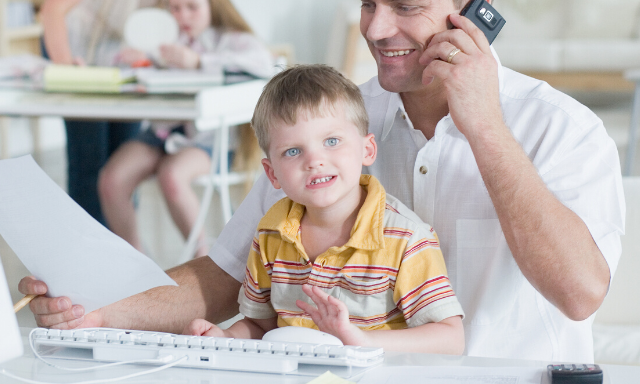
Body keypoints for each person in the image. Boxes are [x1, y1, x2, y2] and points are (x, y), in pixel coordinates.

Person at [20, 0, 625, 363]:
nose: (376, 29)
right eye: (367, 3)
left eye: (405, 6)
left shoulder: (562, 130)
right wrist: (98, 309)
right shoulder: (334, 127)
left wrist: (485, 125)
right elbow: (225, 274)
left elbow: (579, 294)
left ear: (476, 11)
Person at [183, 64, 464, 353]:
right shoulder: (270, 235)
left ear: (367, 149)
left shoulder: (406, 239)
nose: (314, 160)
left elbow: (450, 340)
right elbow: (261, 326)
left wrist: (360, 341)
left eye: (331, 141)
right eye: (293, 151)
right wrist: (226, 338)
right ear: (273, 174)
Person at [39, 0, 207, 224]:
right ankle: (86, 267)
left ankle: (125, 264)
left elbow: (204, 2)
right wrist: (69, 69)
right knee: (90, 161)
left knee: (121, 165)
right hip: (77, 50)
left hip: (128, 58)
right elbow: (53, 10)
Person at [98, 0, 274, 256]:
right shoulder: (167, 40)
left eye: (192, 7)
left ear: (212, 3)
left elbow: (263, 64)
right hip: (161, 133)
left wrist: (198, 62)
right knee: (111, 180)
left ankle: (204, 259)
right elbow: (134, 61)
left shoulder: (233, 41)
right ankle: (135, 260)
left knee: (172, 175)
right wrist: (138, 60)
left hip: (208, 141)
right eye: (175, 8)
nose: (183, 17)